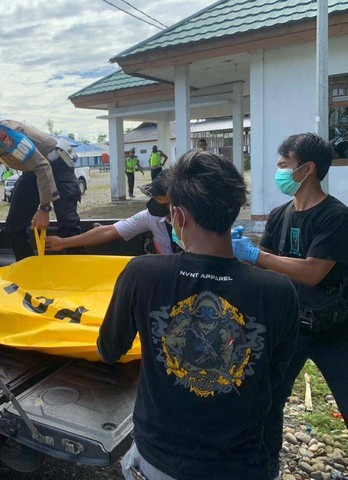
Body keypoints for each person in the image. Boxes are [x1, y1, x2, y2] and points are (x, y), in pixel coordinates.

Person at [98, 149, 299, 480]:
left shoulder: (142, 274)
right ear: (233, 212)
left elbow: (110, 349)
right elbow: (275, 378)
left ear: (177, 216)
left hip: (158, 462)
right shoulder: (278, 290)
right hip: (242, 465)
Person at [231, 132, 348, 479]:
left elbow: (313, 272)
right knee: (269, 405)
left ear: (306, 169)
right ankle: (268, 470)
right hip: (288, 329)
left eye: (283, 165)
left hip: (333, 331)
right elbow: (262, 265)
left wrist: (257, 255)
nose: (278, 172)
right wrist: (229, 250)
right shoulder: (280, 215)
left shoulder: (336, 216)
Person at [0, 100, 82, 261]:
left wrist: (44, 208)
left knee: (68, 225)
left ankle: (77, 273)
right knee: (14, 226)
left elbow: (42, 165)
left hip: (54, 163)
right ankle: (28, 271)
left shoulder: (2, 134)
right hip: (32, 170)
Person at [46, 170, 181, 255]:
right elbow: (109, 231)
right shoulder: (150, 217)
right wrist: (64, 242)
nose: (152, 203)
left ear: (175, 201)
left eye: (157, 198)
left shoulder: (196, 219)